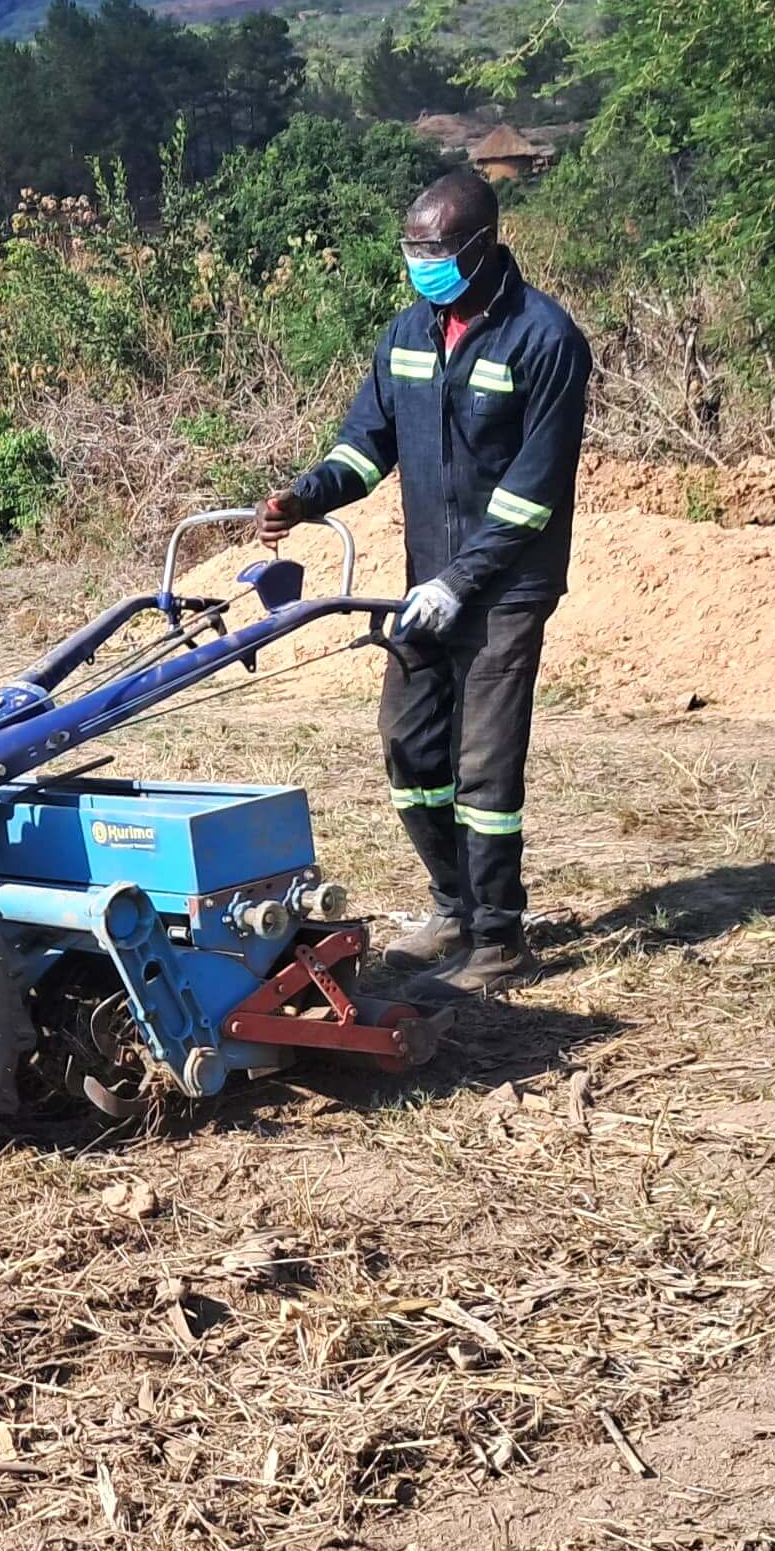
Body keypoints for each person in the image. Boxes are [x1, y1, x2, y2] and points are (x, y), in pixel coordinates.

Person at [257, 168, 590, 999]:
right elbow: (366, 446)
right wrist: (306, 496)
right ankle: (450, 904)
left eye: (437, 249)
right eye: (412, 249)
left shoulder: (543, 339)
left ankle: (498, 936)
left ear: (483, 245)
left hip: (506, 588)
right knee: (409, 745)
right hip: (425, 586)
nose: (422, 263)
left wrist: (463, 580)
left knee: (484, 768)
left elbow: (533, 490)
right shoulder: (407, 334)